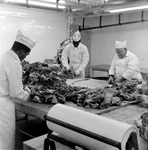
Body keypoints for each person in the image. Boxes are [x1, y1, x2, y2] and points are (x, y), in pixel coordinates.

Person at [0, 29, 36, 150]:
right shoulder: (14, 63)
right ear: (21, 51)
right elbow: (17, 93)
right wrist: (28, 91)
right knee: (6, 138)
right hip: (4, 106)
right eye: (26, 54)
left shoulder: (4, 56)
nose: (25, 57)